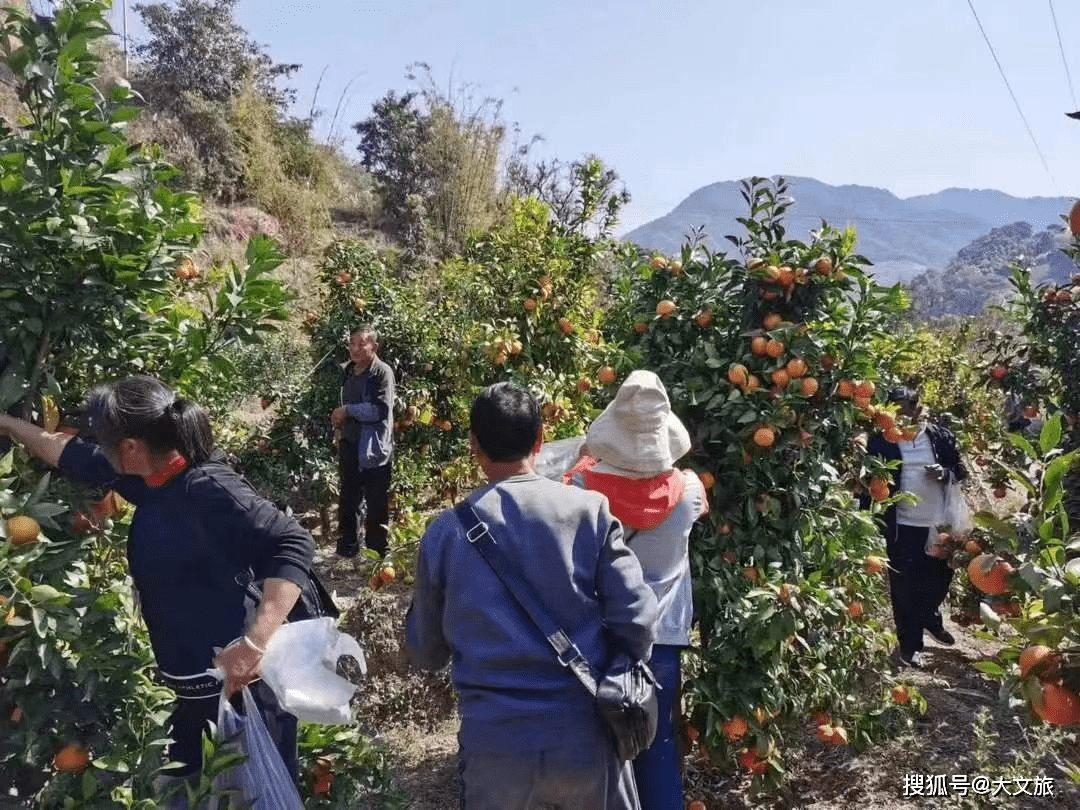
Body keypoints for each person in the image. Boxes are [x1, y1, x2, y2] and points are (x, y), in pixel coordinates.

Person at [0, 376, 313, 798]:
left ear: (131, 447)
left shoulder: (208, 487)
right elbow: (69, 452)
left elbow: (292, 542)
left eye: (105, 440)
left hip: (238, 688)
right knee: (198, 793)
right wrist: (8, 424)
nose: (100, 447)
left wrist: (255, 644)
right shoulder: (148, 478)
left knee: (257, 796)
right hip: (192, 690)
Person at [405, 382, 658, 810]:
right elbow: (638, 621)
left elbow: (426, 652)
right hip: (584, 737)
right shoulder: (588, 511)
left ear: (474, 446)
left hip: (496, 748)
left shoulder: (445, 535)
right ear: (540, 439)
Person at [564, 370, 707, 810]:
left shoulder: (582, 489)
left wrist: (587, 462)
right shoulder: (690, 490)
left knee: (604, 753)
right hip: (663, 641)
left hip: (601, 638)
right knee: (657, 747)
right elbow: (677, 499)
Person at [865, 385, 968, 668]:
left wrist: (944, 473)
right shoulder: (881, 443)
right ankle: (910, 646)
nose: (900, 417)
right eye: (894, 411)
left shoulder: (940, 438)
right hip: (903, 525)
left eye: (905, 410)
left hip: (939, 525)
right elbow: (871, 483)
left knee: (940, 580)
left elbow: (960, 471)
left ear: (917, 409)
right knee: (905, 588)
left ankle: (929, 618)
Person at [330, 326, 395, 558]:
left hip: (374, 448)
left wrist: (348, 410)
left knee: (376, 501)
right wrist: (339, 432)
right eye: (352, 344)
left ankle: (377, 552)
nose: (355, 349)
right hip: (350, 444)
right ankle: (347, 548)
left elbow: (379, 410)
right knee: (349, 498)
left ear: (374, 347)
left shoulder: (382, 373)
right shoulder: (348, 372)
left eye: (361, 344)